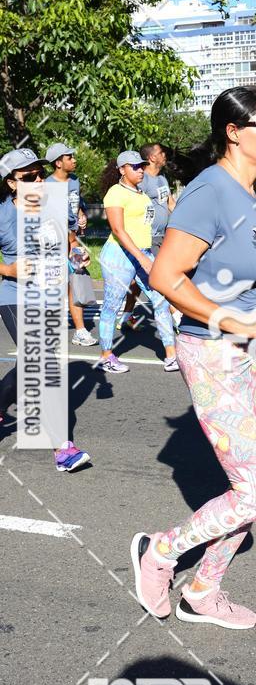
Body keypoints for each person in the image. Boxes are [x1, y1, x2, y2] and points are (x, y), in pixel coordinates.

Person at [130, 85, 256, 629]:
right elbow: (165, 277)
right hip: (213, 350)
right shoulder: (208, 192)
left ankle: (202, 592)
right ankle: (160, 551)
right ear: (234, 133)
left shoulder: (253, 198)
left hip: (249, 349)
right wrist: (228, 320)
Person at [0, 148, 90, 471]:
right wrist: (9, 270)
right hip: (13, 297)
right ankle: (62, 449)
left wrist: (77, 254)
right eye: (28, 177)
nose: (38, 180)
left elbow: (66, 240)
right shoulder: (2, 215)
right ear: (12, 183)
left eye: (40, 173)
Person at [97, 151, 178, 373]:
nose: (140, 169)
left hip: (143, 252)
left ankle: (171, 355)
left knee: (160, 299)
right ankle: (106, 356)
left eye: (141, 166)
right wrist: (142, 257)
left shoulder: (142, 193)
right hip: (119, 255)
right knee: (112, 305)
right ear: (122, 170)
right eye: (134, 166)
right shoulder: (115, 193)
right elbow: (118, 230)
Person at [118, 142, 177, 331]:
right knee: (163, 277)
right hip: (146, 237)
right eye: (161, 152)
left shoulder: (162, 179)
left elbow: (170, 204)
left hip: (163, 236)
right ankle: (178, 317)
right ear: (152, 157)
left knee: (138, 281)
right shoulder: (142, 180)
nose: (165, 155)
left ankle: (126, 315)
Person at [45, 142, 97, 347]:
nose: (74, 160)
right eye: (70, 157)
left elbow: (76, 204)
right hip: (56, 243)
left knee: (77, 279)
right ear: (58, 163)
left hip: (73, 239)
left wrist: (81, 214)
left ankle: (80, 331)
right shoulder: (48, 186)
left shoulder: (74, 181)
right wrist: (70, 241)